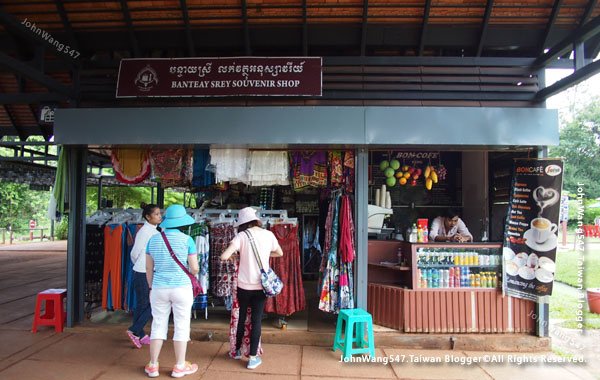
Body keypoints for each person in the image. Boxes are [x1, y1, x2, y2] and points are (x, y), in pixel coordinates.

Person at [220, 207, 283, 370]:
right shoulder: (268, 235)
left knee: (241, 318)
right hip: (261, 286)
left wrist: (240, 255)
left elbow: (224, 256)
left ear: (243, 223)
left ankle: (237, 351)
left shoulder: (241, 236)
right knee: (256, 321)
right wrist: (264, 256)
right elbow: (279, 253)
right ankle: (253, 358)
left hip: (243, 286)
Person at [144, 204, 199, 378]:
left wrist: (152, 286)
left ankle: (153, 365)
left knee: (158, 325)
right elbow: (195, 268)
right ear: (182, 222)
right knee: (182, 326)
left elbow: (148, 267)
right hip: (182, 288)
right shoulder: (187, 240)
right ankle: (180, 366)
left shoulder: (153, 240)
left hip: (159, 287)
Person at [126, 204, 162, 348]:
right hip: (142, 272)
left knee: (143, 303)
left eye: (160, 214)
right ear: (148, 217)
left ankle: (139, 333)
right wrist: (140, 265)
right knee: (149, 303)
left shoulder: (154, 231)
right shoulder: (145, 232)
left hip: (146, 271)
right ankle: (134, 330)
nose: (160, 216)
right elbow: (134, 253)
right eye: (157, 214)